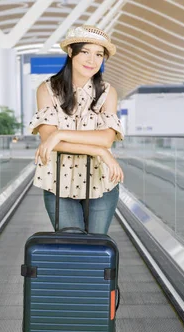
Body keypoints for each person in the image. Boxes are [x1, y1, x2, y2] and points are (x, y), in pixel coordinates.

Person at [28, 25, 124, 235]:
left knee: (97, 249)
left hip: (101, 183)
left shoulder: (108, 92)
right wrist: (98, 152)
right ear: (71, 52)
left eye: (99, 54)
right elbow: (48, 140)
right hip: (58, 183)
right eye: (85, 52)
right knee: (71, 245)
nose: (92, 60)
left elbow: (106, 138)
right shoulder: (47, 90)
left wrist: (60, 133)